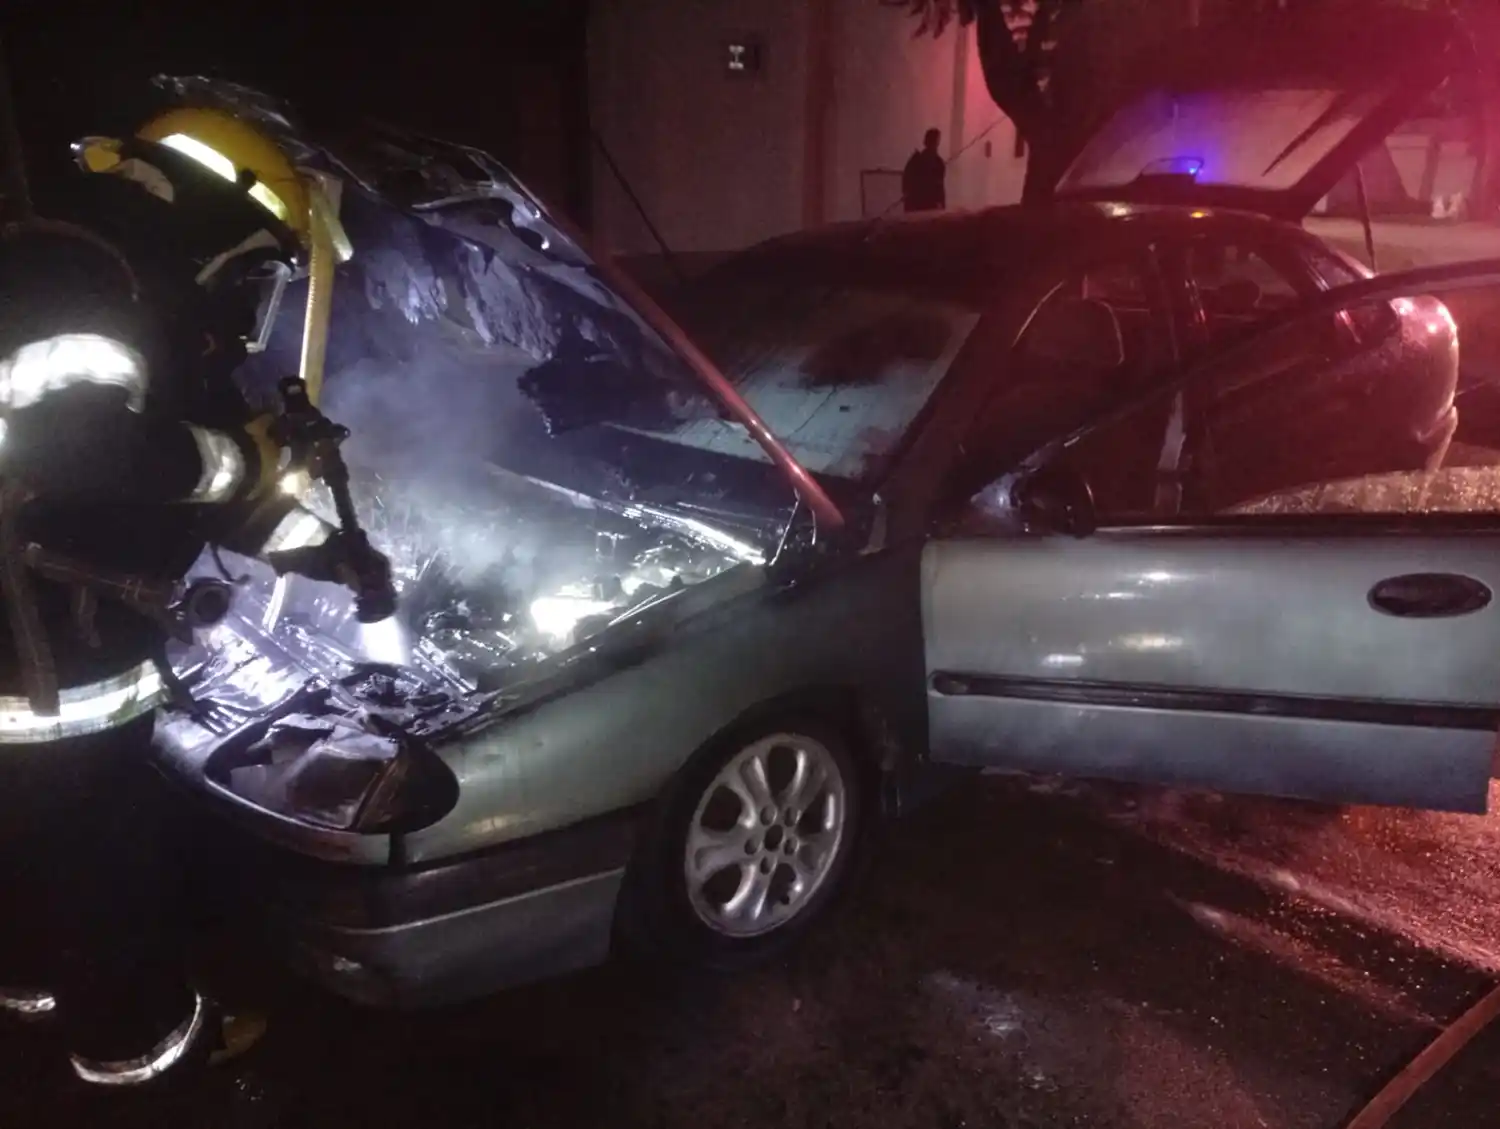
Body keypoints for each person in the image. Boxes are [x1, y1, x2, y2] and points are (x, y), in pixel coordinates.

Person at [0, 101, 394, 1088]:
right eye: (251, 266)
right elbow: (90, 452)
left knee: (33, 840)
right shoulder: (76, 277)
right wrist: (241, 460)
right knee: (108, 856)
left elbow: (164, 485)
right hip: (45, 653)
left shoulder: (111, 278)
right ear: (211, 213)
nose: (246, 297)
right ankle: (143, 1048)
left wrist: (315, 551)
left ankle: (35, 986)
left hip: (41, 634)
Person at [902, 127, 947, 213]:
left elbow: (940, 188)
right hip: (918, 206)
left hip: (929, 207)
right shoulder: (917, 161)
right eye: (934, 141)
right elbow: (906, 185)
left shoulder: (938, 163)